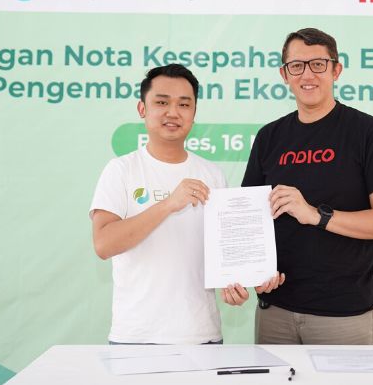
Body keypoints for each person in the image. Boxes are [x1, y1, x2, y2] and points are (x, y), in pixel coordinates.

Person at [89, 64, 282, 344]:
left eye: (184, 104)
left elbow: (224, 255)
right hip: (136, 336)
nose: (173, 112)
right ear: (142, 109)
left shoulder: (212, 175)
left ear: (194, 113)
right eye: (161, 102)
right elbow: (103, 244)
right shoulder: (121, 170)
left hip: (202, 335)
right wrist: (168, 204)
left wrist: (238, 284)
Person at [236, 28, 373, 345]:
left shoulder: (368, 132)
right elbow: (248, 219)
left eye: (318, 64)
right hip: (275, 311)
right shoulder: (269, 137)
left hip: (344, 315)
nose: (307, 75)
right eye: (296, 66)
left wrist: (315, 215)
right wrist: (250, 273)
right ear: (284, 75)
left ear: (336, 70)